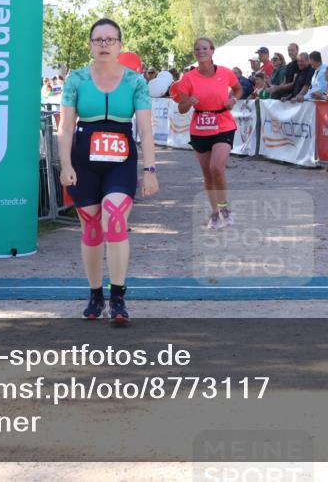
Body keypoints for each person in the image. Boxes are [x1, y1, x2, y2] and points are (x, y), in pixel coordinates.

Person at [58, 18, 158, 324]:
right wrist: (65, 165)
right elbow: (65, 127)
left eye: (110, 40)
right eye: (98, 40)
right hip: (83, 160)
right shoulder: (75, 80)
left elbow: (145, 127)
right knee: (91, 227)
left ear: (119, 45)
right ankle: (94, 294)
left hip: (121, 159)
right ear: (90, 44)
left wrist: (150, 169)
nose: (104, 45)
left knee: (114, 218)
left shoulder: (135, 82)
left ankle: (118, 297)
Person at [172, 37, 242, 230]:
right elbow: (181, 108)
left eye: (205, 48)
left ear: (212, 50)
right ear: (195, 53)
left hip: (223, 123)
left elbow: (238, 89)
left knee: (217, 168)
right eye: (197, 49)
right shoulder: (188, 78)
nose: (201, 51)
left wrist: (232, 100)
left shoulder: (225, 73)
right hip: (200, 127)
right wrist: (189, 101)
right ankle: (214, 213)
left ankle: (224, 207)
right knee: (207, 174)